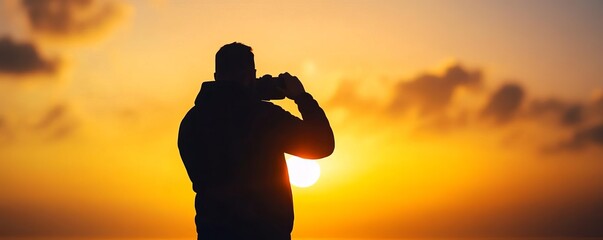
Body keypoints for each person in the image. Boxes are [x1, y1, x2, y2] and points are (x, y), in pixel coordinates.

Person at [178, 42, 335, 239]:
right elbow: (322, 144)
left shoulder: (191, 122)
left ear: (216, 77)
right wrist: (301, 97)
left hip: (212, 232)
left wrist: (249, 93)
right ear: (251, 75)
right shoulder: (263, 117)